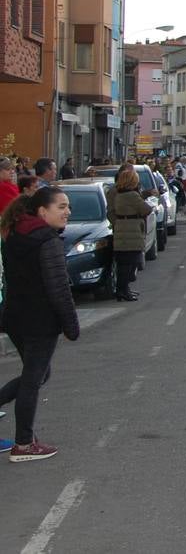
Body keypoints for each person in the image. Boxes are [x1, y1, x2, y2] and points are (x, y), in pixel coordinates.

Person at [0, 187, 80, 461]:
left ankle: (24, 439)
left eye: (67, 206)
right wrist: (71, 326)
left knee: (37, 375)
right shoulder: (47, 241)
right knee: (34, 379)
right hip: (39, 321)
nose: (67, 212)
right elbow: (58, 288)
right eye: (61, 206)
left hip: (16, 318)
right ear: (42, 211)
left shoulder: (16, 233)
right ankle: (23, 445)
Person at [108, 169, 152, 302]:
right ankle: (122, 291)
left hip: (123, 230)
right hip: (131, 231)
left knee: (125, 263)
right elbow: (146, 209)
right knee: (129, 263)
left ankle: (124, 290)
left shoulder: (120, 194)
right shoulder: (132, 195)